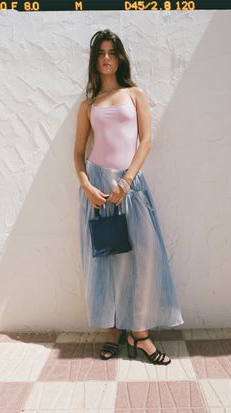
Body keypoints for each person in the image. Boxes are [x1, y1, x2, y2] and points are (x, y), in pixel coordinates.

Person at [74, 29, 184, 365]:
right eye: (101, 53)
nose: (106, 58)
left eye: (112, 52)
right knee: (112, 262)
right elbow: (78, 153)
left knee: (146, 257)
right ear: (95, 61)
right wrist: (87, 187)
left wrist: (127, 180)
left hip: (131, 186)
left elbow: (146, 141)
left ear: (120, 57)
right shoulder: (88, 105)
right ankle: (114, 329)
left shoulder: (135, 94)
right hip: (99, 190)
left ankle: (140, 331)